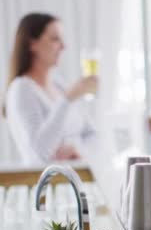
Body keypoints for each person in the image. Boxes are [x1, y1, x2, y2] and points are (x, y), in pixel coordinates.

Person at [3, 13, 97, 164]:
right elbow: (40, 152)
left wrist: (76, 150)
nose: (63, 46)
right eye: (55, 39)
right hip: (47, 184)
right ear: (32, 44)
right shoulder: (21, 89)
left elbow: (92, 134)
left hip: (75, 180)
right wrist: (67, 100)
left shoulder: (59, 84)